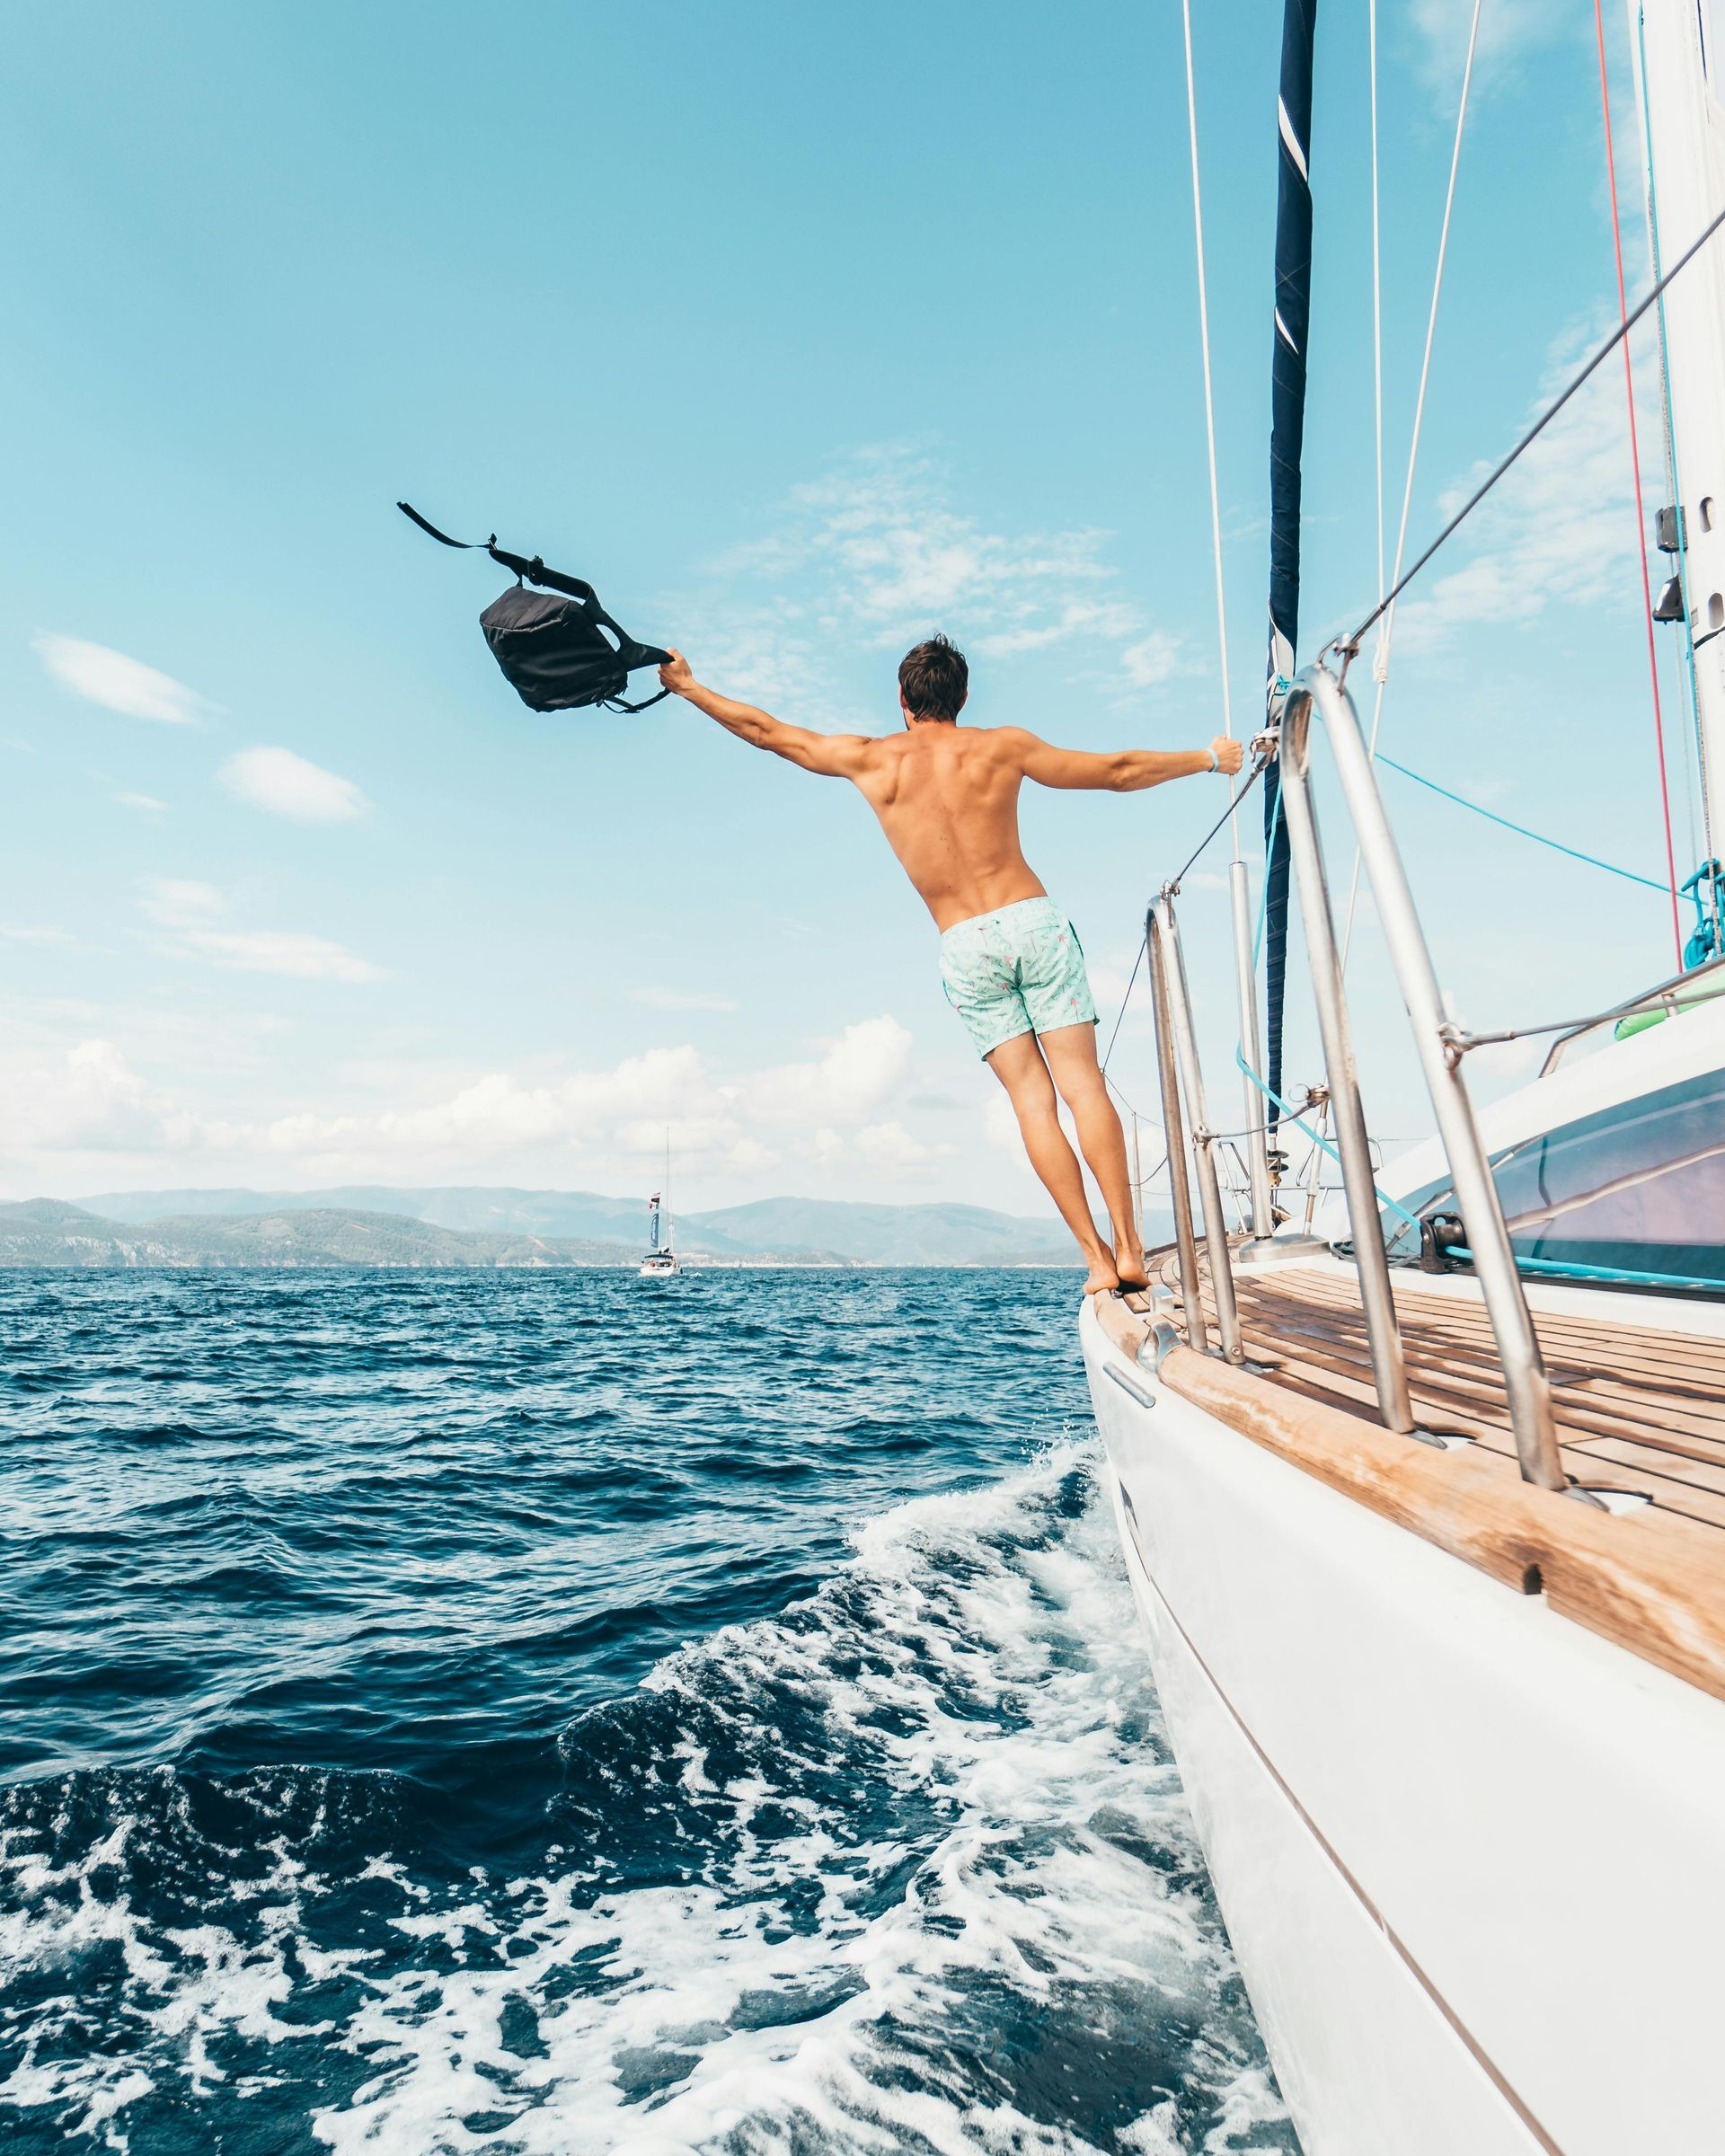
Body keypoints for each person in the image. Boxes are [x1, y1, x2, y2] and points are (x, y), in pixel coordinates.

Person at [657, 634, 1244, 1294]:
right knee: (1084, 1085)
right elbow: (1116, 770)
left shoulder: (870, 760)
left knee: (1032, 1102)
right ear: (962, 698)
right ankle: (1133, 1247)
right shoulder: (1002, 747)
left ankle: (1097, 1262)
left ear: (903, 701)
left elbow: (766, 732)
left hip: (965, 942)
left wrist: (689, 688)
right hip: (1032, 920)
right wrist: (1206, 758)